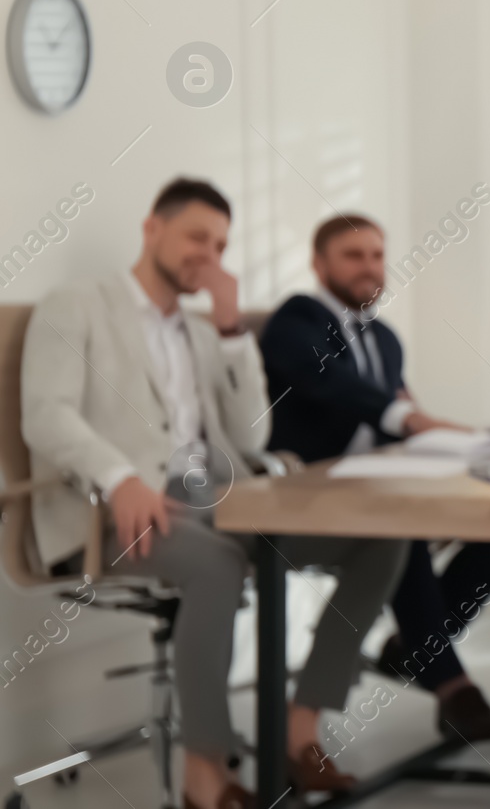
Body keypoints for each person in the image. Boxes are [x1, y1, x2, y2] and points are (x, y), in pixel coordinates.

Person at [22, 178, 410, 809]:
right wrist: (120, 477)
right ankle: (206, 775)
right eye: (196, 236)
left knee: (381, 538)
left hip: (214, 496)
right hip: (110, 507)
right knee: (217, 562)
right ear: (153, 229)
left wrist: (231, 329)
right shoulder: (78, 305)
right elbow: (46, 415)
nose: (209, 253)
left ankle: (301, 729)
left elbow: (250, 431)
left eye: (221, 244)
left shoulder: (203, 334)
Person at [257, 214, 490, 743]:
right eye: (353, 256)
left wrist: (452, 444)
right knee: (398, 526)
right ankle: (451, 687)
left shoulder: (385, 339)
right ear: (319, 264)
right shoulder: (296, 321)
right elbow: (336, 386)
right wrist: (413, 421)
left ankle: (417, 648)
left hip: (384, 482)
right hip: (313, 494)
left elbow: (398, 409)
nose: (369, 268)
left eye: (377, 256)